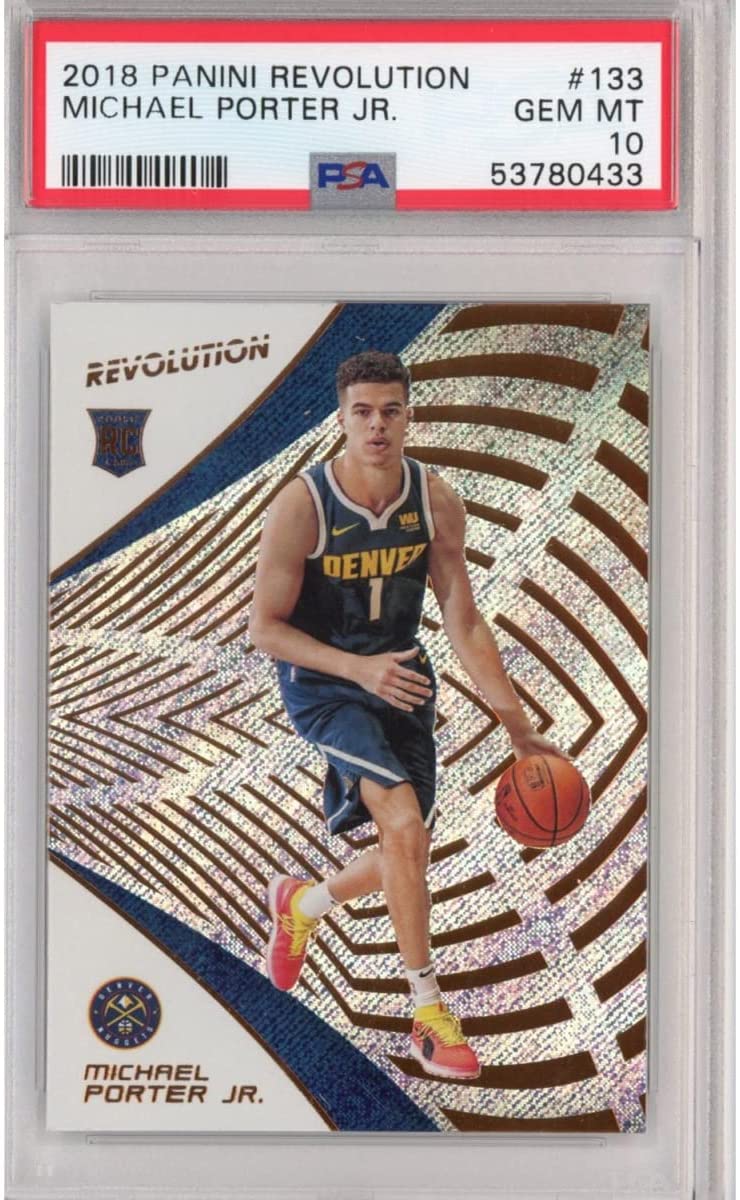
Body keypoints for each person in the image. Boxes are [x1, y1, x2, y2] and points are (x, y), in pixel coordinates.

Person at [249, 349, 563, 1081]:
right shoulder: (303, 504)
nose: (377, 426)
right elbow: (264, 629)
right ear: (341, 418)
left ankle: (304, 904)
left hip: (403, 677)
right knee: (402, 824)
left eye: (391, 411)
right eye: (362, 412)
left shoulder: (435, 499)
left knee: (408, 848)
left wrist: (517, 726)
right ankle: (426, 1011)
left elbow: (463, 618)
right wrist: (358, 669)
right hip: (326, 683)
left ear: (409, 416)